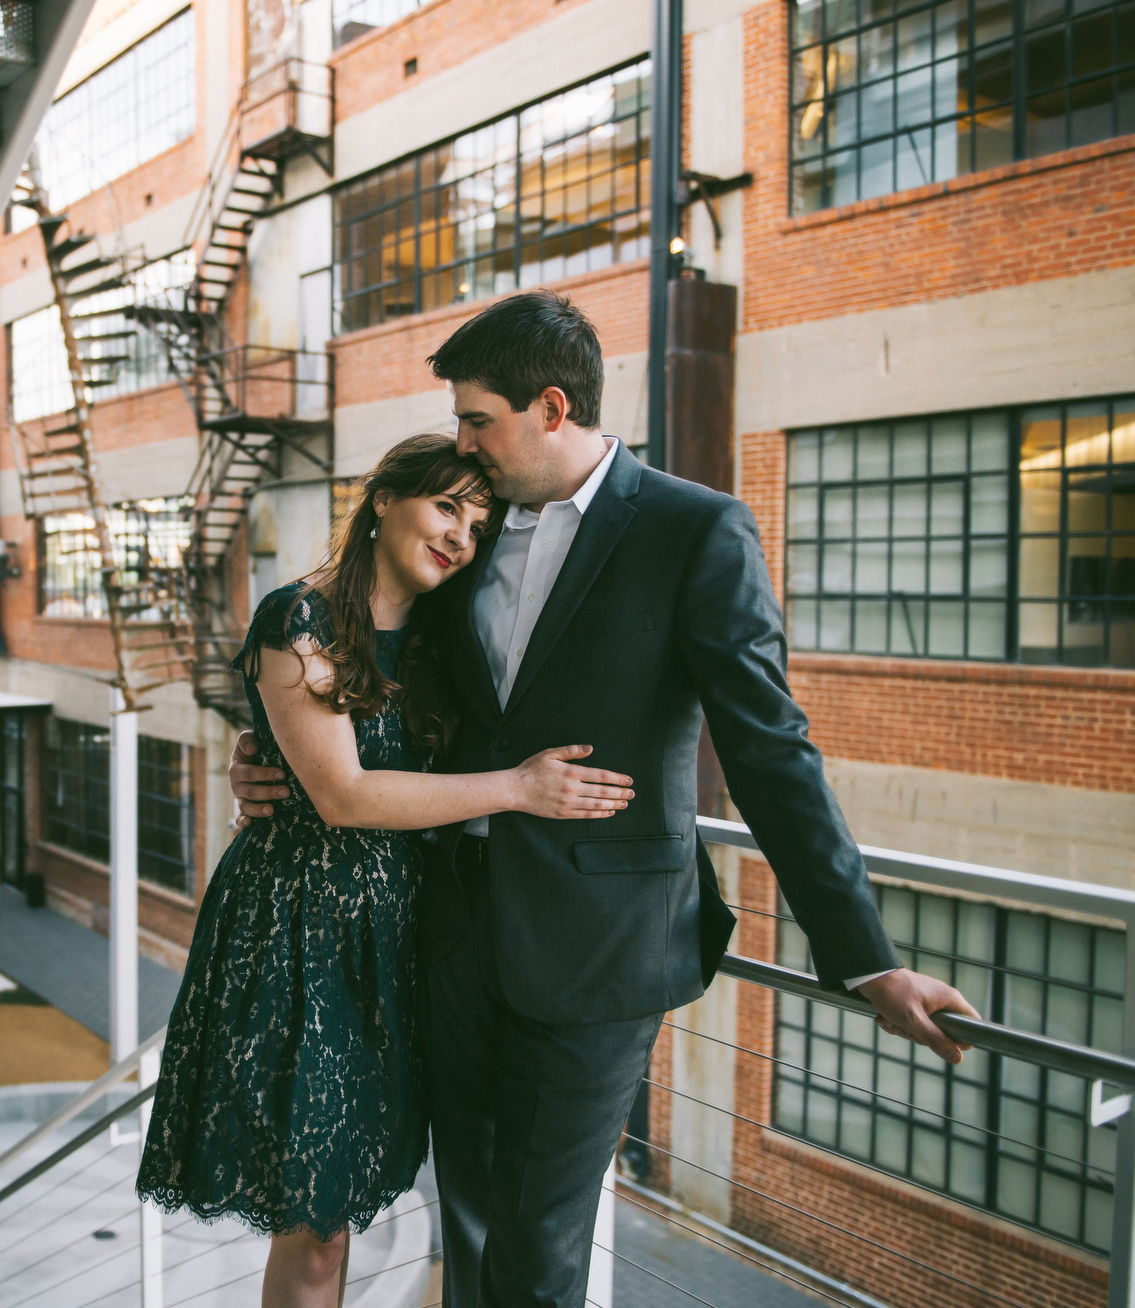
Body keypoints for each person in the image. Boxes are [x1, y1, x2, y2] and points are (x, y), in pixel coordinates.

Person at [227, 291, 980, 1307]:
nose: (461, 446)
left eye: (476, 420)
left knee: (538, 1255)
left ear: (548, 407)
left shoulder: (695, 530)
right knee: (468, 1227)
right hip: (445, 934)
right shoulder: (468, 527)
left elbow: (771, 753)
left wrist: (866, 959)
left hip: (601, 951)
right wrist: (270, 756)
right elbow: (388, 683)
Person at [138, 432, 641, 1308]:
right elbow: (344, 795)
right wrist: (522, 789)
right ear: (382, 499)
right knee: (319, 1225)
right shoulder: (300, 618)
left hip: (407, 938)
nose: (461, 537)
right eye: (447, 506)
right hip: (304, 935)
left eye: (480, 524)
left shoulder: (451, 635)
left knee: (364, 1204)